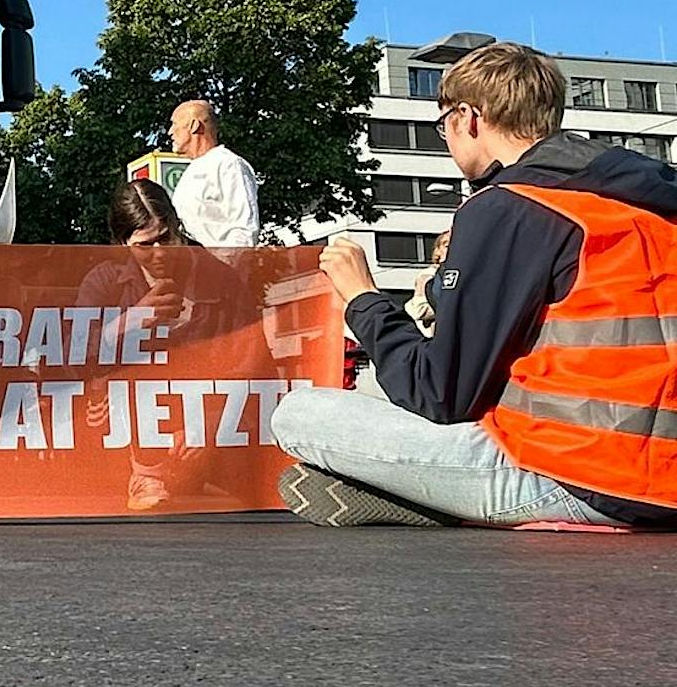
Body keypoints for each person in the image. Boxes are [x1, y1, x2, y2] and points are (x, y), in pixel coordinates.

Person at [273, 39, 677, 529]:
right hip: (656, 470)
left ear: (467, 117)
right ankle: (422, 493)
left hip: (588, 480)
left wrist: (362, 298)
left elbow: (441, 395)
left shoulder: (509, 207)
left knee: (297, 414)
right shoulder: (640, 201)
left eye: (442, 123)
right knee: (379, 383)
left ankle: (432, 500)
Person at [79, 180, 260, 510]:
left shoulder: (222, 279)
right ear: (123, 244)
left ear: (178, 227)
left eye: (166, 238)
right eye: (146, 245)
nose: (160, 252)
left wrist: (214, 418)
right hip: (128, 440)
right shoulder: (104, 282)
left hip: (215, 431)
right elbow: (68, 354)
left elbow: (254, 362)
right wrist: (129, 321)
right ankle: (146, 474)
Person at [168, 99, 260, 247]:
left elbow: (244, 229)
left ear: (194, 126)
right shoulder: (190, 172)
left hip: (221, 267)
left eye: (174, 124)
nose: (170, 132)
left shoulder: (228, 164)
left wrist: (222, 268)